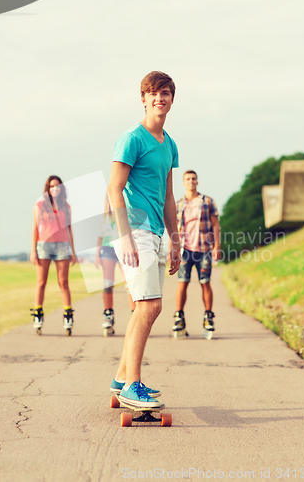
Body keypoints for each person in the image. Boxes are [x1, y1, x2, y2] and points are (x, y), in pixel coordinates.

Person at [107, 71, 181, 408]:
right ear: (143, 98)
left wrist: (176, 240)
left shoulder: (170, 144)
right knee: (151, 305)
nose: (159, 99)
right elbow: (114, 189)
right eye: (153, 93)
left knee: (143, 306)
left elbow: (168, 197)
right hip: (134, 231)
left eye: (165, 93)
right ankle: (131, 387)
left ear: (171, 99)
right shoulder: (132, 139)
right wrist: (124, 237)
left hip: (154, 232)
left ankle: (123, 377)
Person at [172, 170, 221, 336]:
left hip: (204, 248)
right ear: (183, 183)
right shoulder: (178, 204)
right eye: (187, 179)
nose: (191, 181)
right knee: (182, 282)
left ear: (197, 182)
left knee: (205, 282)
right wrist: (173, 248)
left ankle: (208, 316)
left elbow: (215, 225)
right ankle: (179, 316)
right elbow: (173, 229)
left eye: (193, 179)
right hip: (185, 250)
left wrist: (217, 246)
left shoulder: (207, 201)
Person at [30, 176, 76, 335]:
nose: (54, 189)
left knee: (63, 282)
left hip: (63, 246)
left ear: (61, 188)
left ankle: (68, 315)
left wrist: (73, 251)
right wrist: (33, 251)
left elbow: (70, 230)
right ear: (47, 189)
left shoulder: (66, 206)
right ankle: (38, 314)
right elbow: (35, 229)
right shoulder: (40, 205)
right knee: (41, 282)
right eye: (51, 186)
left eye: (57, 186)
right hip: (44, 245)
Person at [94, 195, 135, 336]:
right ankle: (108, 315)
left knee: (129, 283)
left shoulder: (126, 214)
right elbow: (99, 236)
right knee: (107, 284)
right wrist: (97, 255)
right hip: (107, 250)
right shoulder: (104, 217)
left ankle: (134, 315)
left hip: (123, 248)